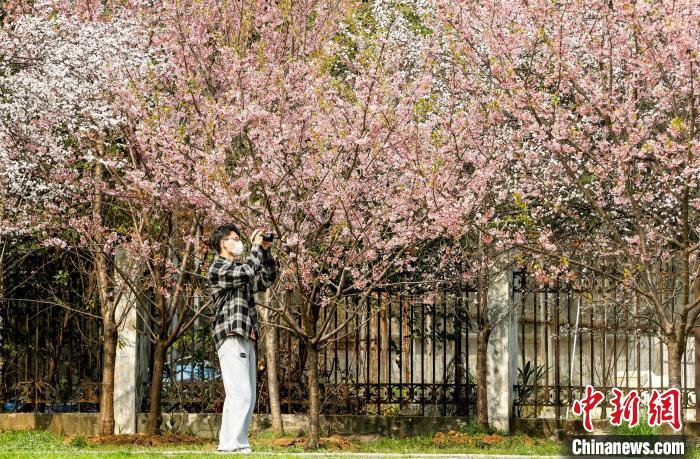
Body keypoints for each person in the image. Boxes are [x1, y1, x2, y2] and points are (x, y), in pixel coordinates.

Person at [208, 224, 276, 453]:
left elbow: (265, 279)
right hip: (231, 333)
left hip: (246, 334)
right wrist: (255, 248)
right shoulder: (218, 268)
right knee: (241, 393)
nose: (239, 242)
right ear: (222, 243)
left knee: (243, 394)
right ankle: (236, 444)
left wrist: (265, 252)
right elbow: (247, 272)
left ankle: (227, 443)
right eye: (234, 239)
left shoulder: (239, 268)